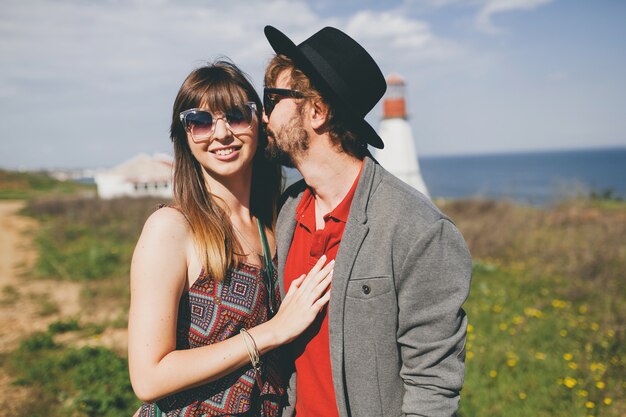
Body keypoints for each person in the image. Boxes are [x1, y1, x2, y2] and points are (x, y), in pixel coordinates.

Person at [262, 26, 473, 417]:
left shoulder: (418, 229)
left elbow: (432, 388)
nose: (264, 113)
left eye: (273, 98)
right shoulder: (289, 209)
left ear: (317, 112)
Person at [128, 60, 334, 417]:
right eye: (201, 121)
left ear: (260, 123)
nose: (221, 134)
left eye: (237, 115)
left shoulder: (275, 227)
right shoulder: (172, 228)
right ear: (186, 136)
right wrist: (271, 333)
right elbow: (148, 377)